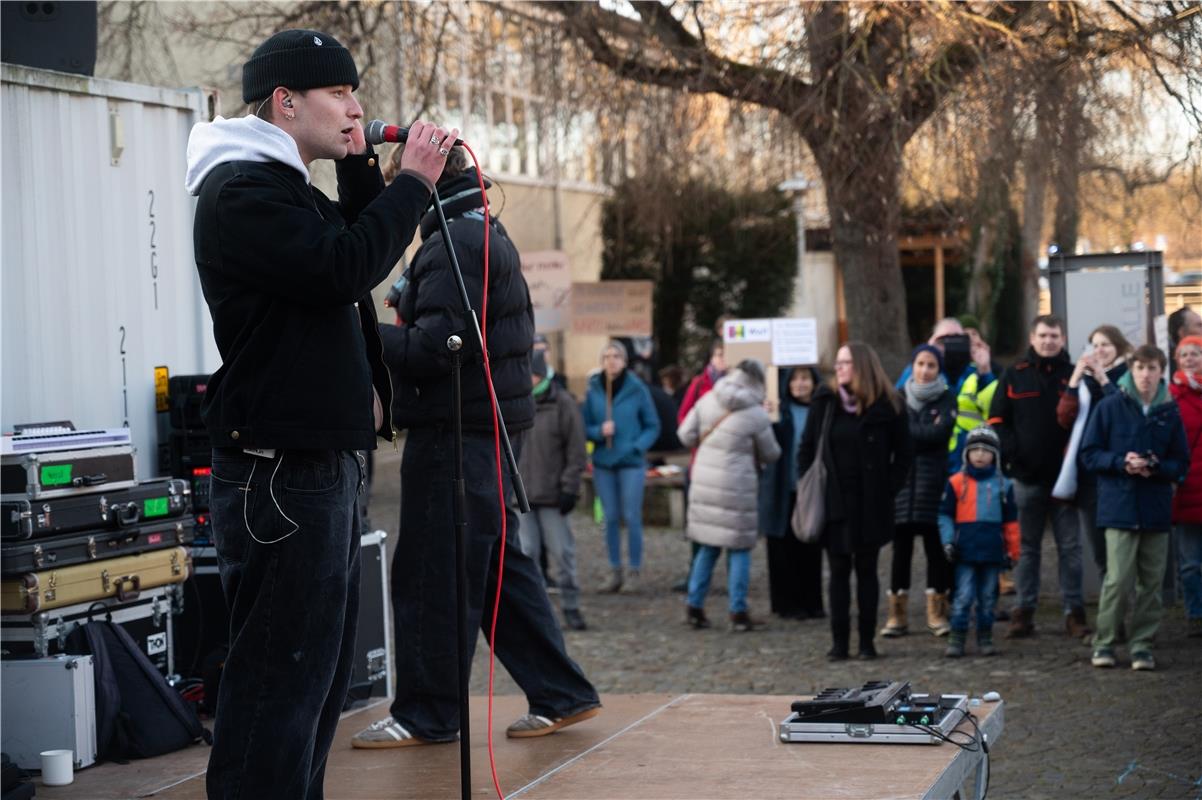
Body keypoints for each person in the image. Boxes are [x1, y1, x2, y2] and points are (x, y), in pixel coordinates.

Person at [184, 28, 455, 799]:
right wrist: (415, 185)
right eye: (339, 93)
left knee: (318, 678)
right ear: (286, 101)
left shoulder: (285, 186)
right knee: (280, 677)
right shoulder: (242, 190)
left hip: (318, 462)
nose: (354, 106)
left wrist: (367, 162)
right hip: (281, 472)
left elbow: (355, 247)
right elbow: (343, 267)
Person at [357, 144, 600, 747]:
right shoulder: (478, 232)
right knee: (493, 569)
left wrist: (365, 334)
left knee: (433, 574)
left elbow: (442, 346)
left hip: (457, 433)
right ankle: (561, 693)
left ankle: (426, 713)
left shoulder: (456, 244)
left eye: (407, 188)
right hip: (483, 429)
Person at [798, 342, 911, 661]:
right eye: (838, 362)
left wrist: (888, 487)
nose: (839, 367)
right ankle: (839, 642)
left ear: (862, 365)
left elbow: (904, 454)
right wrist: (808, 482)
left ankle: (866, 642)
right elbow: (806, 448)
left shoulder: (890, 405)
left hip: (871, 502)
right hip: (833, 500)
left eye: (846, 362)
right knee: (837, 571)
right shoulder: (825, 401)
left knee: (867, 569)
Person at [1081, 345, 1189, 671]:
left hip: (1155, 508)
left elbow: (1180, 462)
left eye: (1152, 368)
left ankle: (1142, 645)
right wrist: (1120, 462)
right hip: (1119, 505)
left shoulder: (1169, 411)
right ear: (1131, 369)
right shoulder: (1111, 405)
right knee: (1117, 580)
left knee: (1152, 583)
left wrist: (1156, 466)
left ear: (1161, 371)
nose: (1145, 375)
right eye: (1140, 368)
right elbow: (1089, 454)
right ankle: (1105, 642)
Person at [988, 315, 1089, 640]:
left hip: (1067, 481)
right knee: (1027, 549)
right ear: (1032, 338)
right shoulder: (1014, 374)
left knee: (1071, 549)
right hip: (1026, 479)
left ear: (1062, 339)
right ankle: (1024, 612)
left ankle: (1074, 613)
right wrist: (1014, 455)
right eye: (1043, 335)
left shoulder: (1074, 375)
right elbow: (996, 419)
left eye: (1054, 335)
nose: (1048, 341)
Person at [678, 360, 781, 631]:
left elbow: (685, 435)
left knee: (707, 546)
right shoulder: (756, 414)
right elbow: (771, 453)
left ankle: (694, 606)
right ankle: (737, 612)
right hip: (738, 488)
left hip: (704, 483)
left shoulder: (708, 398)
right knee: (739, 549)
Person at [884, 345, 956, 639]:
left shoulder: (947, 398)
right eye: (920, 364)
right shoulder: (897, 399)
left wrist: (909, 432)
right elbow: (898, 437)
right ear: (911, 366)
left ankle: (936, 610)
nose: (925, 370)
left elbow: (939, 434)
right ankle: (896, 614)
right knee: (900, 550)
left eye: (931, 365)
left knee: (935, 549)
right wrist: (917, 433)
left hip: (932, 484)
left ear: (938, 370)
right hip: (902, 485)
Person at [516, 351, 589, 630]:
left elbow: (576, 451)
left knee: (562, 553)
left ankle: (571, 606)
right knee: (527, 554)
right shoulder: (515, 402)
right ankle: (536, 612)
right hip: (521, 497)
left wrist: (570, 487)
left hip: (553, 495)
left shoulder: (563, 403)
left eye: (531, 374)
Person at [582, 340, 661, 593]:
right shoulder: (594, 388)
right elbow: (583, 426)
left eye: (616, 356)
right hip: (604, 462)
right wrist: (597, 431)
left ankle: (634, 571)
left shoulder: (637, 389)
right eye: (606, 356)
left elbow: (653, 425)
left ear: (624, 361)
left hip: (631, 462)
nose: (611, 360)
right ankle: (614, 570)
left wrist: (638, 446)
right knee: (611, 517)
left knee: (632, 516)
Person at [1056, 324, 1131, 582]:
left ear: (1118, 348)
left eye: (1106, 345)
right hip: (1089, 475)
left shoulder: (1129, 375)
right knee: (1100, 550)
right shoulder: (1084, 381)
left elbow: (1123, 415)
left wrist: (1103, 379)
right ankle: (1112, 616)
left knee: (1122, 552)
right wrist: (1076, 379)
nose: (1100, 350)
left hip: (1120, 473)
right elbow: (1065, 417)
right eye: (1095, 345)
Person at [938, 427, 1020, 657]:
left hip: (992, 551)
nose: (980, 455)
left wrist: (1013, 551)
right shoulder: (955, 483)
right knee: (963, 596)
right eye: (975, 450)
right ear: (967, 453)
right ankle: (957, 637)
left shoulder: (1004, 485)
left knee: (987, 598)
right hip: (964, 550)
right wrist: (948, 542)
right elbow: (944, 515)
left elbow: (1011, 522)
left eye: (986, 450)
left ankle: (985, 636)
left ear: (995, 454)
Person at [757, 366, 827, 620]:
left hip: (811, 489)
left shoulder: (823, 409)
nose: (800, 384)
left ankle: (812, 601)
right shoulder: (779, 410)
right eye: (795, 378)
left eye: (805, 378)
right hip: (781, 487)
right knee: (782, 547)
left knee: (810, 546)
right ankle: (786, 603)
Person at [1168, 336, 1202, 637]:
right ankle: (1195, 614)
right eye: (1184, 354)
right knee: (1190, 562)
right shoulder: (1170, 396)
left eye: (1195, 354)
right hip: (1188, 487)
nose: (1190, 358)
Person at [678, 340, 727, 424]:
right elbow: (683, 415)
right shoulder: (699, 382)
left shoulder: (737, 382)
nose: (724, 359)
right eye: (720, 355)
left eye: (727, 355)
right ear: (712, 358)